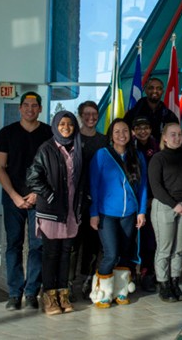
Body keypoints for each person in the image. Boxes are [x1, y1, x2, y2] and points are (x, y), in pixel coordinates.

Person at [0, 91, 53, 311]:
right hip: (13, 199)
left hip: (40, 198)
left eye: (34, 105)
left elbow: (52, 169)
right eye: (26, 105)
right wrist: (15, 196)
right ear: (20, 108)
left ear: (39, 108)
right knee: (14, 245)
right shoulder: (6, 133)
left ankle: (31, 293)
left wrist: (37, 193)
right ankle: (14, 293)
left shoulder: (48, 133)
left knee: (37, 246)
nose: (30, 109)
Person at [26, 110, 84, 315]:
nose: (66, 128)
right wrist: (49, 196)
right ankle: (49, 297)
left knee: (66, 254)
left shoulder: (79, 148)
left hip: (71, 211)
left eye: (69, 124)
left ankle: (63, 294)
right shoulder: (47, 148)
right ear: (55, 126)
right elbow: (33, 177)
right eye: (62, 124)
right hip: (51, 211)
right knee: (51, 254)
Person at [88, 118, 148, 308]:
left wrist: (142, 211)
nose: (121, 135)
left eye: (125, 131)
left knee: (125, 253)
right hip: (107, 214)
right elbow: (94, 186)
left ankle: (121, 290)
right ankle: (102, 291)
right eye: (117, 131)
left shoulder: (137, 156)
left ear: (131, 134)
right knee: (111, 254)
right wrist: (94, 213)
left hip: (130, 213)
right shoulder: (102, 155)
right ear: (111, 135)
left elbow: (143, 186)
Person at [149, 122, 182, 303]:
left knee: (178, 250)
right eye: (173, 134)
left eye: (179, 134)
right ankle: (164, 284)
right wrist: (173, 204)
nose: (177, 138)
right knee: (165, 249)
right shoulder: (158, 159)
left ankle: (175, 282)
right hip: (165, 207)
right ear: (165, 138)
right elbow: (156, 187)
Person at [75, 101, 109, 299]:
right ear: (80, 115)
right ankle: (70, 282)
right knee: (73, 243)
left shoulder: (104, 140)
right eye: (87, 114)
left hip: (96, 199)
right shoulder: (73, 138)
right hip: (75, 200)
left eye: (94, 114)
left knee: (92, 243)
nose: (91, 117)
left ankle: (88, 279)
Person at [132, 116, 160, 293]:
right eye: (139, 127)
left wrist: (153, 197)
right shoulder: (129, 145)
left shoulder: (156, 146)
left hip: (152, 199)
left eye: (146, 127)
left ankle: (147, 273)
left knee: (150, 241)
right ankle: (129, 274)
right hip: (131, 201)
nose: (143, 131)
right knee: (131, 240)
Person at [123, 77, 180, 141]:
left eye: (159, 88)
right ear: (146, 90)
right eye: (151, 88)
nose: (155, 91)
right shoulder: (133, 114)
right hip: (137, 150)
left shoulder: (170, 116)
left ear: (162, 92)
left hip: (161, 150)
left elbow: (175, 136)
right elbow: (124, 134)